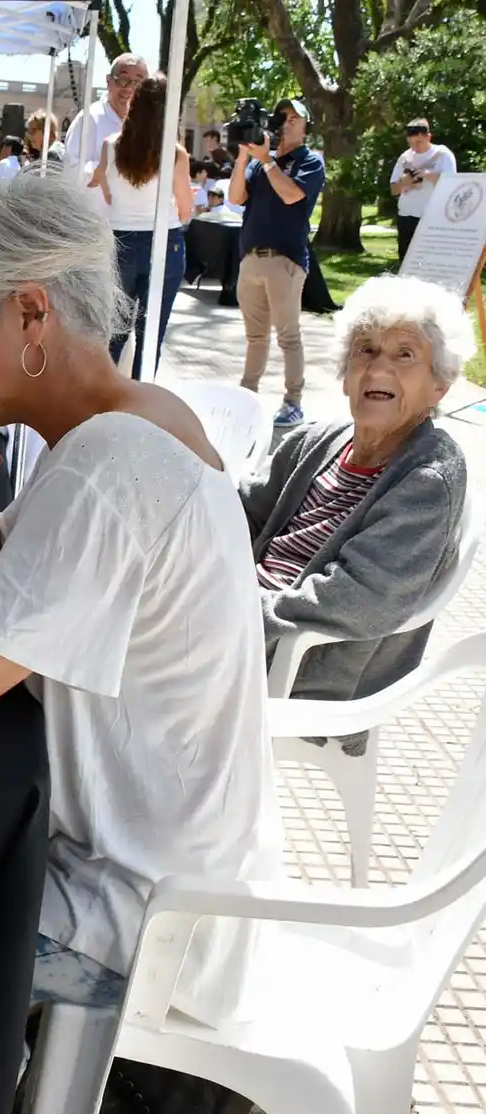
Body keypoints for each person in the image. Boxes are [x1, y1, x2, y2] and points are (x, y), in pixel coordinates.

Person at [0, 173, 279, 1029]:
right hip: (173, 882)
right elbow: (3, 597)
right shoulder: (129, 418)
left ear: (31, 311)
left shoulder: (113, 462)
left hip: (139, 918)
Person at [243, 275, 472, 717]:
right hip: (238, 628)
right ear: (346, 375)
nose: (379, 369)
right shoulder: (316, 440)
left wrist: (237, 613)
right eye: (365, 349)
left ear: (440, 385)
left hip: (301, 676)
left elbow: (360, 599)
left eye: (405, 354)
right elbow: (239, 511)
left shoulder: (427, 477)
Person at [229, 97, 326, 428]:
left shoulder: (309, 162)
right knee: (255, 337)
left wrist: (268, 161)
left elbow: (291, 195)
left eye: (293, 119)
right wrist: (244, 157)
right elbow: (235, 197)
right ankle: (247, 395)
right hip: (251, 259)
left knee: (288, 336)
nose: (285, 123)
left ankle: (293, 402)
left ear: (305, 127)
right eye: (282, 117)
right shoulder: (260, 162)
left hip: (285, 260)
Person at [92, 75, 194, 381]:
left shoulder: (110, 146)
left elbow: (107, 194)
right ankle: (141, 397)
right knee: (151, 335)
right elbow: (186, 208)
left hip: (120, 240)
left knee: (115, 331)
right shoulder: (175, 154)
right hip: (163, 242)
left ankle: (103, 394)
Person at [64, 52, 151, 213]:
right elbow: (72, 169)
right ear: (108, 81)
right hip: (97, 218)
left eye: (138, 82)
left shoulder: (151, 123)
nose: (129, 88)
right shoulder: (89, 119)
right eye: (123, 80)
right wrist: (109, 171)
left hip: (139, 219)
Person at [391, 118, 456, 264]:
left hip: (432, 217)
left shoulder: (442, 154)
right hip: (406, 216)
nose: (415, 148)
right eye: (411, 143)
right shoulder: (405, 157)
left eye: (419, 142)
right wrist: (404, 183)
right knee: (406, 262)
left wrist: (428, 174)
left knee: (430, 263)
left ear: (429, 137)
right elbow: (393, 189)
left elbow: (452, 185)